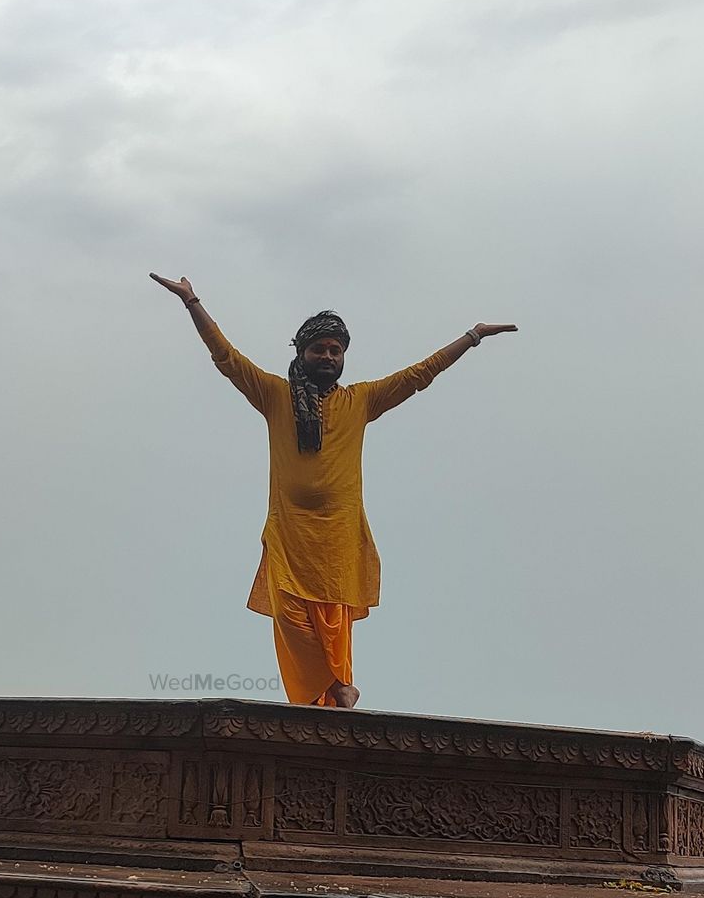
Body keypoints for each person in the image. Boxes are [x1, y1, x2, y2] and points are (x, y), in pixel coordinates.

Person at [149, 272, 517, 709]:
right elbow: (226, 358)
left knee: (332, 623)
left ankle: (338, 692)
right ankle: (328, 692)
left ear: (343, 357)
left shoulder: (360, 400)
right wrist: (192, 302)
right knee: (289, 617)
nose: (327, 355)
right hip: (289, 533)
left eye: (335, 350)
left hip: (339, 536)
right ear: (301, 353)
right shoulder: (274, 395)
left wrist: (472, 336)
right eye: (318, 348)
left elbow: (421, 374)